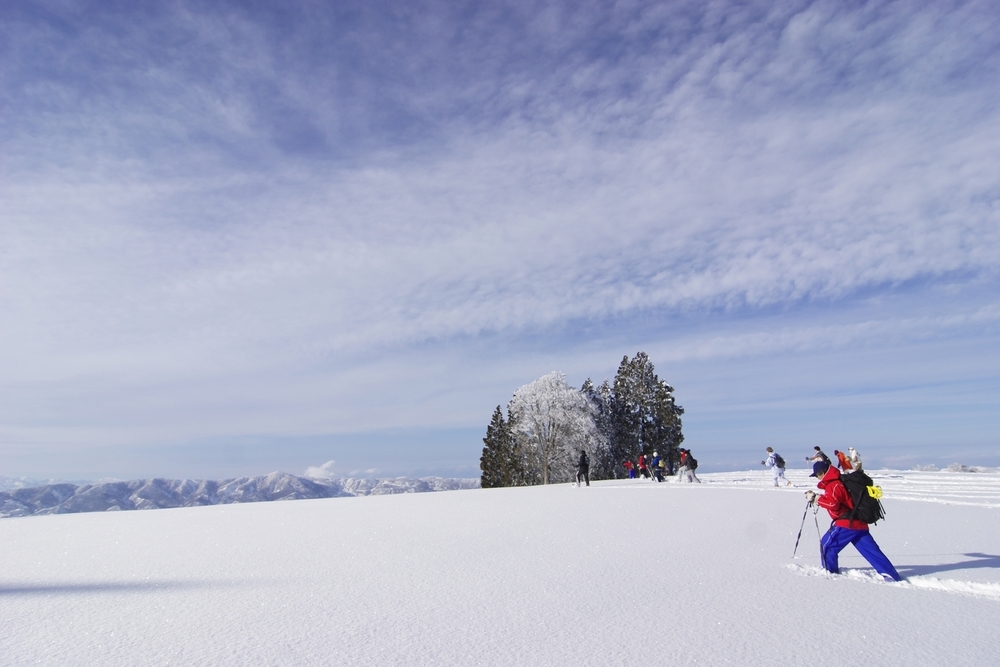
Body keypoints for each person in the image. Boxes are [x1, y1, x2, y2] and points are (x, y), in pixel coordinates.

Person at [806, 460, 901, 581]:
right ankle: (891, 576)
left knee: (827, 546)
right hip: (859, 523)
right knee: (872, 551)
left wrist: (816, 499)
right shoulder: (841, 482)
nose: (817, 478)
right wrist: (819, 498)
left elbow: (833, 503)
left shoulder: (833, 484)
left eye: (817, 475)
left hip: (846, 524)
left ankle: (830, 573)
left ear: (822, 472)